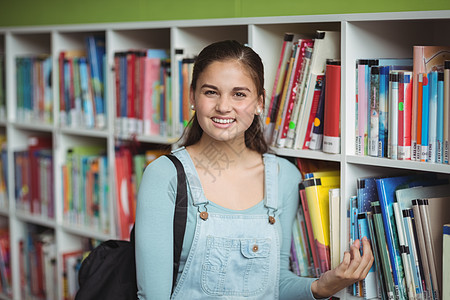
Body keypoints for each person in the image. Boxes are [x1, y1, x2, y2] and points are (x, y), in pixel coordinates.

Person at [135, 40, 374, 299]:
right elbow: (152, 296)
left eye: (239, 94)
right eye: (211, 92)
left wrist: (321, 286)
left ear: (259, 102)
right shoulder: (164, 175)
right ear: (193, 96)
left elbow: (274, 284)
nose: (224, 106)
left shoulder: (284, 177)